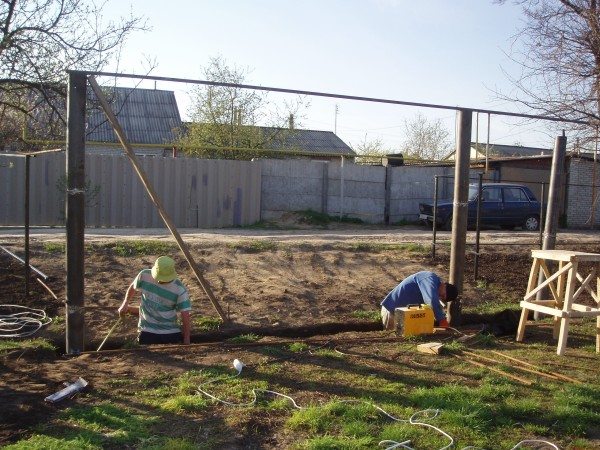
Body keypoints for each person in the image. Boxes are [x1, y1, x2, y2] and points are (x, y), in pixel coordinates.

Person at [118, 256, 191, 345]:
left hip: (170, 332)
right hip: (148, 330)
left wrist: (186, 338)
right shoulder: (144, 275)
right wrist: (125, 303)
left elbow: (185, 316)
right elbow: (133, 287)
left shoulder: (179, 289)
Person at [380, 271, 458, 331]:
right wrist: (441, 320)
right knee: (393, 340)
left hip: (404, 315)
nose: (440, 297)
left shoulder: (433, 287)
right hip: (391, 311)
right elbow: (431, 300)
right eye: (443, 294)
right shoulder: (430, 278)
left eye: (442, 298)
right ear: (444, 285)